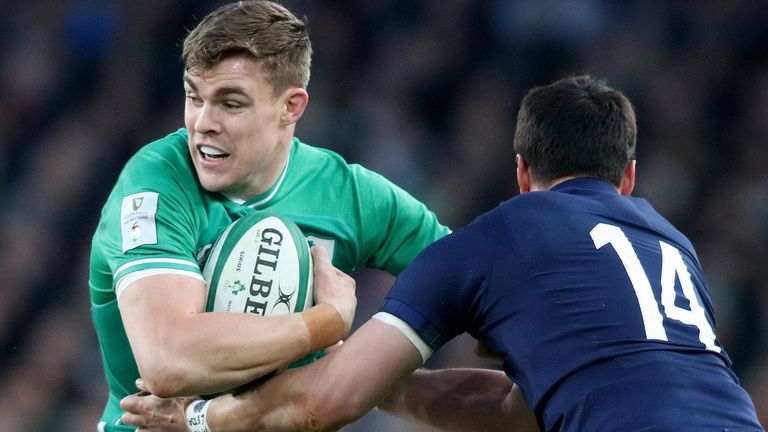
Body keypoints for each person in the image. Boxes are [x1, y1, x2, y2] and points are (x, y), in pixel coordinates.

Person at [121, 75, 764, 432]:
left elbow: (321, 406)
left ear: (520, 171)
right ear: (627, 177)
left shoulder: (494, 239)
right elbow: (518, 411)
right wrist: (380, 383)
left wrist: (199, 420)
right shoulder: (675, 248)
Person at [88, 1, 452, 431]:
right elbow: (169, 360)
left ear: (291, 107)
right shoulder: (156, 182)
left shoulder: (350, 196)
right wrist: (324, 322)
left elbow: (475, 278)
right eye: (193, 96)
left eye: (230, 103)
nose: (202, 123)